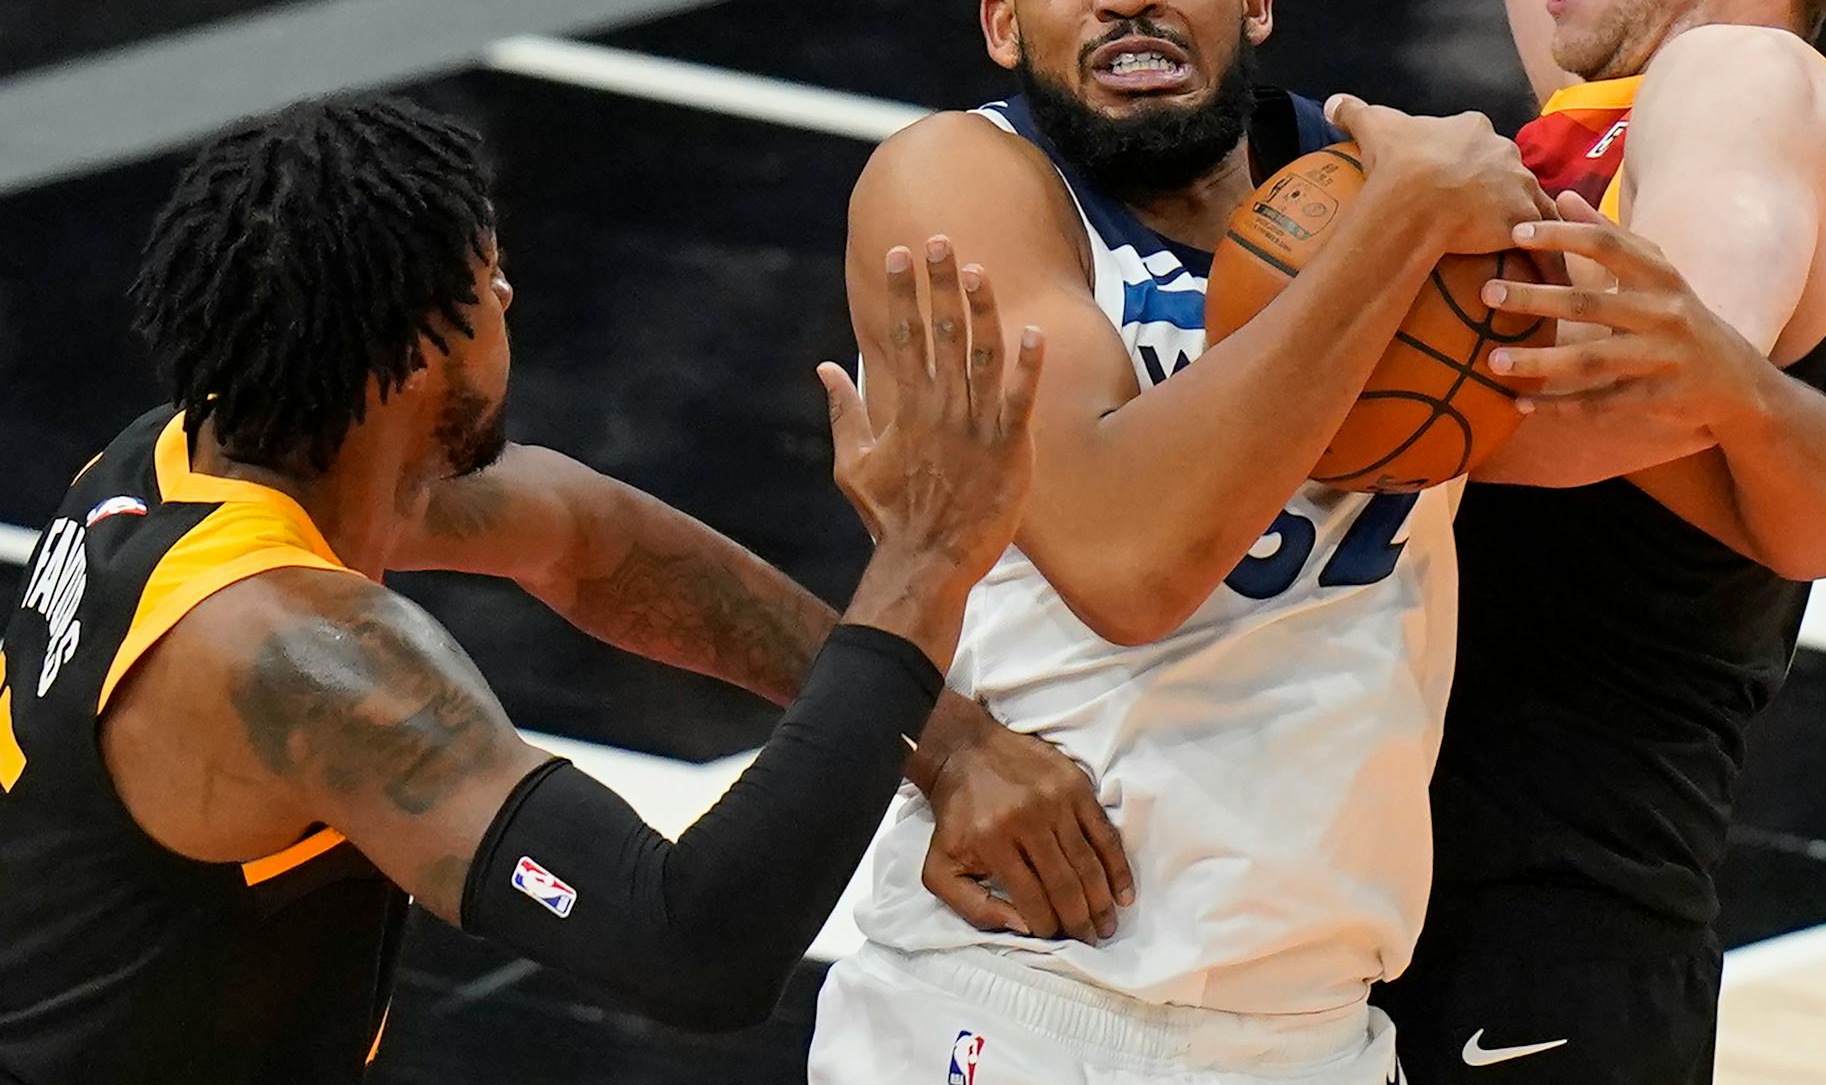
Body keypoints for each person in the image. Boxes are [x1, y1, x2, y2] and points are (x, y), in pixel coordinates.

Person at [0, 96, 1059, 1084]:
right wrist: (921, 567)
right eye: (486, 278)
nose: (508, 294)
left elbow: (586, 537)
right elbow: (691, 948)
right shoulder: (294, 659)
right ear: (417, 352)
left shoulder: (198, 459)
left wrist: (947, 739)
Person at [804, 0, 1548, 1085]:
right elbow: (1131, 565)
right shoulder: (962, 188)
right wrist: (1401, 230)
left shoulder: (1383, 186)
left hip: (1309, 1021)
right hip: (1019, 997)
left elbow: (1747, 491)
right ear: (1001, 19)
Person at [1369, 0, 1826, 1080]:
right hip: (1409, 886)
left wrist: (1313, 365)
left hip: (1548, 909)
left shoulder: (1744, 79)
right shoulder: (1609, 120)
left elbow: (1634, 389)